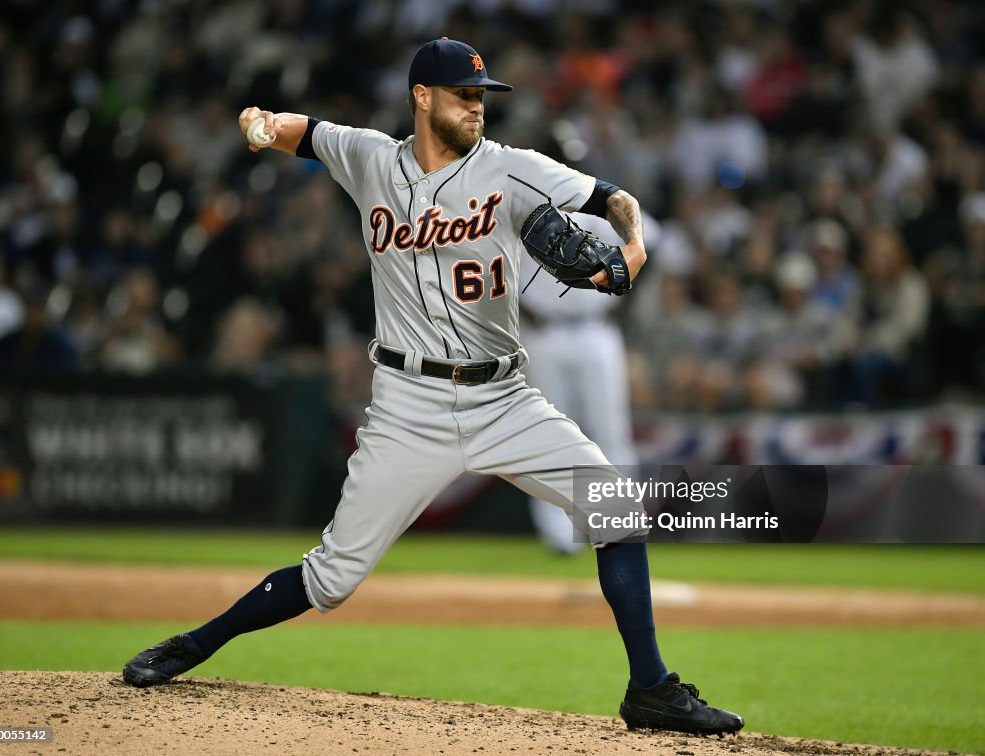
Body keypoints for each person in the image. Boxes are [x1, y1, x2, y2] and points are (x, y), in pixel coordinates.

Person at [121, 38, 743, 736]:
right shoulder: (370, 159)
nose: (477, 107)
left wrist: (632, 247)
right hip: (407, 407)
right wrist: (263, 123)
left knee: (616, 509)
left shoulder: (514, 170)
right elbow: (309, 134)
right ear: (423, 97)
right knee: (330, 580)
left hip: (503, 398)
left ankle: (651, 689)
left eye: (482, 96)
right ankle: (193, 644)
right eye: (464, 95)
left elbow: (614, 198)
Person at [519, 212, 660, 555]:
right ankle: (557, 534)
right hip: (543, 331)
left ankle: (620, 526)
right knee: (549, 432)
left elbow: (651, 242)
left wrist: (626, 296)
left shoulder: (599, 204)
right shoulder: (522, 206)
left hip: (596, 328)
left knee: (609, 429)